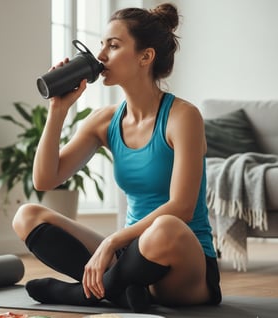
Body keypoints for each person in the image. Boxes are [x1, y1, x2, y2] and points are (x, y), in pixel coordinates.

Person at [12, 3, 222, 313]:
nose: (100, 56)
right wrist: (57, 110)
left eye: (113, 45)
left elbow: (182, 208)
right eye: (101, 44)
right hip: (129, 259)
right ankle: (121, 292)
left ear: (145, 57)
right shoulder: (104, 121)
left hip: (181, 264)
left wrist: (111, 242)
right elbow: (45, 179)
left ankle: (87, 293)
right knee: (27, 216)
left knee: (166, 225)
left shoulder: (182, 117)